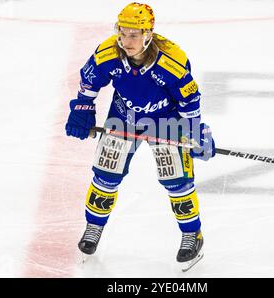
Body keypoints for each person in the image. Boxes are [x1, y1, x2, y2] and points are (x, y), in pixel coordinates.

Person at [65, 2, 215, 271]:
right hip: (124, 115)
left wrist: (194, 131)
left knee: (177, 180)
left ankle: (192, 234)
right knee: (106, 175)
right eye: (123, 32)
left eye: (134, 34)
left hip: (166, 120)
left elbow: (190, 99)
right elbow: (89, 81)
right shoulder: (108, 52)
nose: (127, 39)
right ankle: (93, 227)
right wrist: (82, 109)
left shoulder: (172, 60)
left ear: (148, 34)